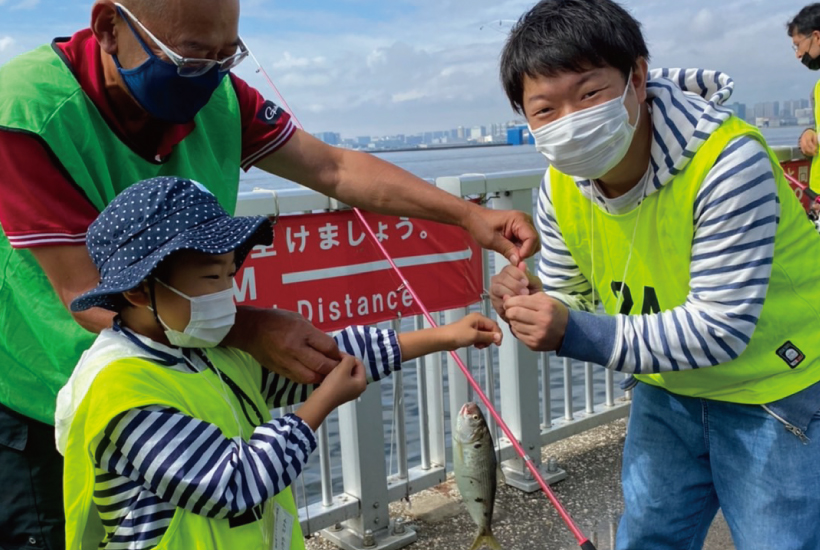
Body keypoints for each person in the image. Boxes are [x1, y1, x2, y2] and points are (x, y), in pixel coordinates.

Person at [0, 0, 537, 546]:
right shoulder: (24, 109)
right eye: (189, 59)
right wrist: (254, 334)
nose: (208, 77)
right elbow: (83, 292)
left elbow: (333, 170)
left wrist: (469, 223)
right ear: (110, 28)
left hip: (183, 351)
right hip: (43, 401)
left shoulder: (217, 95)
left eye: (226, 56)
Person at [490, 1, 820, 549]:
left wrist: (568, 330)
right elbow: (575, 297)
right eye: (545, 110)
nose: (571, 122)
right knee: (647, 537)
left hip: (775, 392)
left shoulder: (728, 161)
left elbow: (719, 328)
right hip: (667, 391)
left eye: (590, 94)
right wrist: (533, 296)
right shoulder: (559, 186)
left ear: (637, 78)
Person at [55, 176, 503, 550]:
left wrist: (446, 336)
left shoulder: (201, 344)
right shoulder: (120, 393)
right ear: (138, 290)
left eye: (231, 274)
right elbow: (232, 484)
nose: (226, 294)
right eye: (211, 277)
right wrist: (318, 409)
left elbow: (327, 359)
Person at [789, 3, 820, 193]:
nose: (798, 54)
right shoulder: (817, 89)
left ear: (816, 37)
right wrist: (808, 134)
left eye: (798, 45)